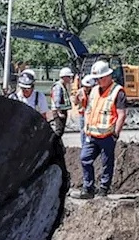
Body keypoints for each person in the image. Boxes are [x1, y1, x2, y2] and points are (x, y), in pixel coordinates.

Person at [77, 60, 126, 199]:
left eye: (99, 78)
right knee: (85, 159)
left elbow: (121, 114)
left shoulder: (117, 92)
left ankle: (104, 188)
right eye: (96, 79)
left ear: (107, 76)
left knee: (106, 163)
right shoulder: (94, 91)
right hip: (92, 135)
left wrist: (116, 133)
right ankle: (88, 188)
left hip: (107, 135)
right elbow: (88, 109)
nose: (97, 81)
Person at [48, 66, 74, 138]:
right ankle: (54, 145)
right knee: (59, 130)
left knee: (60, 130)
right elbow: (57, 100)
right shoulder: (58, 86)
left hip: (62, 110)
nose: (70, 79)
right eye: (69, 77)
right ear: (64, 77)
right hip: (59, 111)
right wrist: (59, 112)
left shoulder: (63, 86)